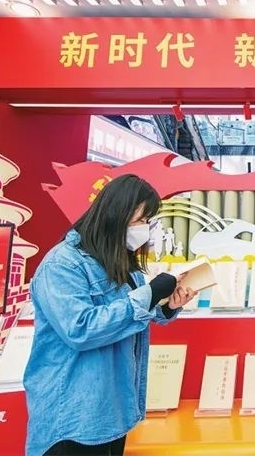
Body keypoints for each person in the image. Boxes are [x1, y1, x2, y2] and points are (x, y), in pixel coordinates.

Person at [24, 174, 197, 456]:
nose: (145, 229)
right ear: (116, 216)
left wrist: (167, 306)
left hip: (112, 410)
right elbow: (80, 329)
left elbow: (130, 316)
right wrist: (150, 292)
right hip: (73, 415)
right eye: (141, 220)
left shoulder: (120, 263)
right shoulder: (62, 264)